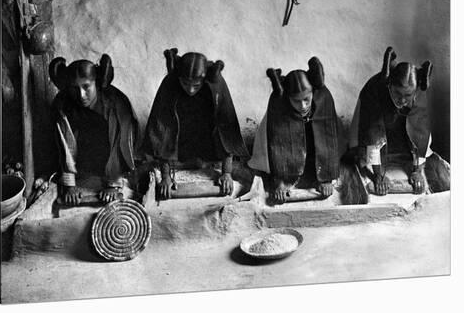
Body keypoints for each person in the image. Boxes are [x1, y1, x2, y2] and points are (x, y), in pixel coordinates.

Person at [142, 48, 249, 200]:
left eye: (196, 85)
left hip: (207, 143)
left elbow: (226, 132)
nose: (190, 90)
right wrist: (165, 176)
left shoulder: (215, 86)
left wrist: (226, 173)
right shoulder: (170, 85)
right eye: (185, 84)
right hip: (179, 143)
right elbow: (162, 132)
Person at [347, 46, 450, 197]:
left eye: (408, 95)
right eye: (397, 93)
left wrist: (418, 171)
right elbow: (372, 135)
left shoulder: (419, 90)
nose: (402, 99)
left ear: (415, 91)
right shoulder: (374, 89)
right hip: (372, 130)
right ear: (390, 85)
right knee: (359, 156)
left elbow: (421, 132)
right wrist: (379, 175)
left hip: (399, 131)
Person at [48, 54, 138, 206]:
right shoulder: (63, 103)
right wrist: (70, 185)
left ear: (96, 82)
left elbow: (120, 142)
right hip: (83, 163)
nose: (81, 95)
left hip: (112, 161)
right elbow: (65, 142)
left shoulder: (116, 104)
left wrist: (112, 185)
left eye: (86, 87)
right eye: (75, 89)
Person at [248, 57, 340, 204]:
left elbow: (328, 140)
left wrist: (327, 177)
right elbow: (277, 146)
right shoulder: (279, 106)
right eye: (296, 101)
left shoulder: (323, 99)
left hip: (313, 156)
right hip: (290, 157)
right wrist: (280, 181)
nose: (303, 106)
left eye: (306, 100)